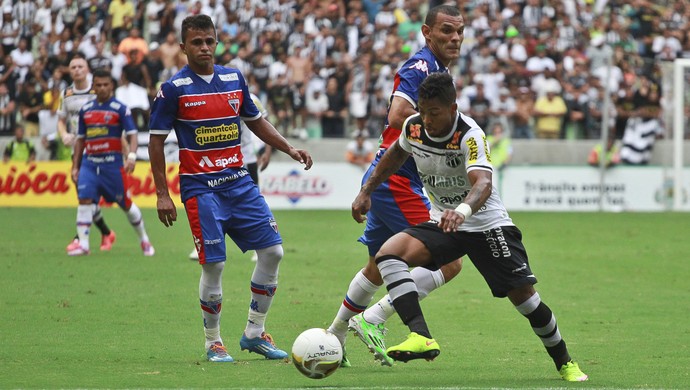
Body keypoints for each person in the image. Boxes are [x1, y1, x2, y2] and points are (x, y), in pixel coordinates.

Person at [352, 72, 588, 382]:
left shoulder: (469, 135)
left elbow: (484, 182)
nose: (426, 119)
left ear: (452, 108)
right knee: (388, 254)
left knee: (527, 301)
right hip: (445, 222)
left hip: (487, 225)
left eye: (433, 112)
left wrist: (462, 211)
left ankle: (565, 362)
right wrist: (366, 190)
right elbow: (395, 154)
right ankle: (420, 336)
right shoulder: (414, 127)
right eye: (422, 110)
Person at [148, 15, 313, 363]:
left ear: (217, 42)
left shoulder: (233, 78)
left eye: (210, 41)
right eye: (197, 42)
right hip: (200, 189)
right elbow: (156, 141)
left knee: (273, 252)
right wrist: (162, 193)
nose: (205, 47)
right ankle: (213, 342)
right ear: (183, 47)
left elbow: (255, 121)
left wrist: (289, 149)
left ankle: (254, 332)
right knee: (214, 266)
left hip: (239, 182)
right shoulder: (173, 89)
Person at [326, 5, 464, 367]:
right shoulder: (420, 67)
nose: (454, 38)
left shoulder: (438, 71)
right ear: (426, 32)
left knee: (377, 265)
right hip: (399, 180)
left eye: (459, 32)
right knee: (449, 261)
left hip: (390, 180)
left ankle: (333, 338)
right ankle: (372, 318)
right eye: (446, 31)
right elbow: (398, 115)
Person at [69, 69, 155, 257]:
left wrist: (131, 156)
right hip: (90, 164)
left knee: (126, 204)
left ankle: (144, 240)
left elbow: (132, 135)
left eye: (105, 84)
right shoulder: (86, 110)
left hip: (112, 165)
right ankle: (83, 244)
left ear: (111, 86)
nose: (102, 88)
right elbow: (80, 140)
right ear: (93, 86)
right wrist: (75, 166)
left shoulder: (120, 109)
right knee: (84, 199)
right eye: (98, 85)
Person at [188, 92, 273, 262]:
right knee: (214, 204)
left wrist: (267, 150)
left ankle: (259, 246)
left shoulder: (252, 98)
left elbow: (264, 123)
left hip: (246, 160)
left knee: (252, 202)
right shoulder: (212, 96)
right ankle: (205, 244)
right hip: (221, 162)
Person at [59, 56, 117, 254]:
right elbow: (61, 120)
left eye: (80, 66)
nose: (77, 70)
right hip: (77, 150)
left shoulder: (98, 90)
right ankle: (106, 233)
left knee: (87, 196)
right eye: (73, 67)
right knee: (85, 197)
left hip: (98, 150)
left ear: (87, 69)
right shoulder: (66, 94)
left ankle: (80, 238)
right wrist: (64, 133)